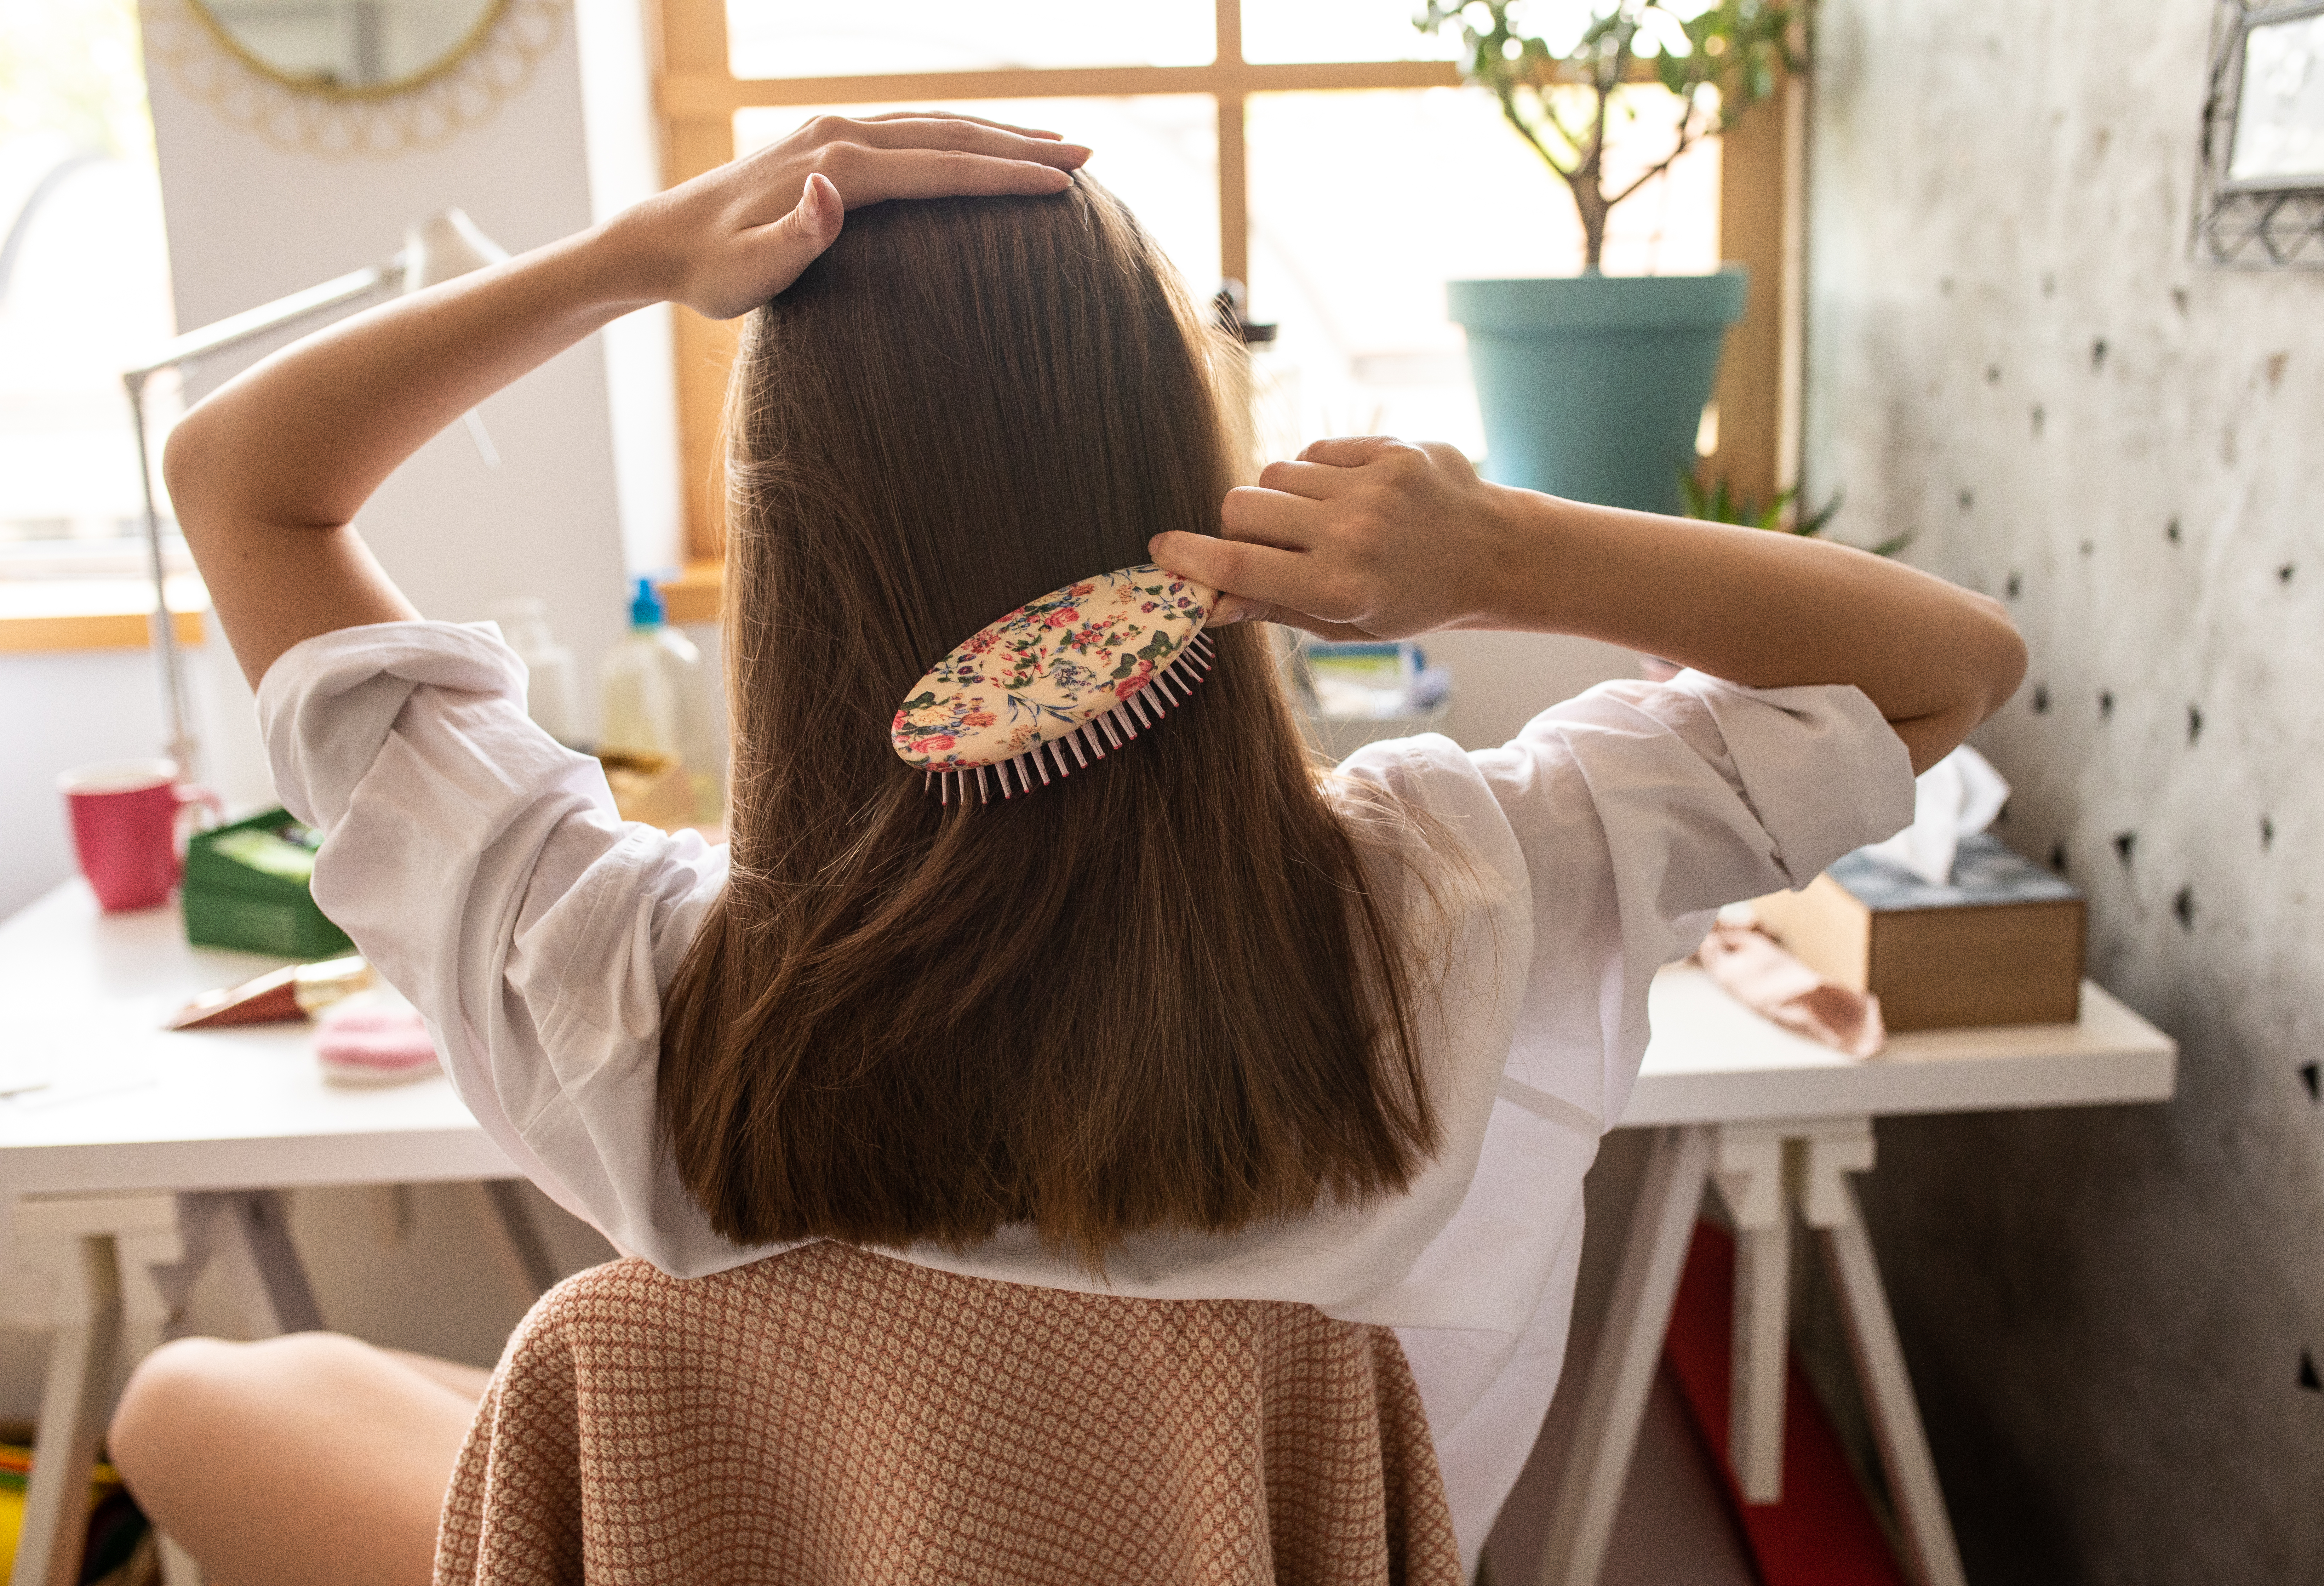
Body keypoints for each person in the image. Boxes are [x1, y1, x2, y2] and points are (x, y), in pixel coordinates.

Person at [106, 112, 2025, 1586]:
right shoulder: (1476, 893)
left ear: (781, 555)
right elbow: (1951, 671)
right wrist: (1510, 551)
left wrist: (630, 258)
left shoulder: (619, 980)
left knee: (211, 1397)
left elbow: (242, 481)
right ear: (1191, 478)